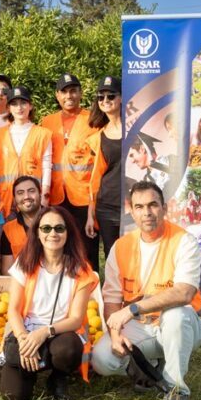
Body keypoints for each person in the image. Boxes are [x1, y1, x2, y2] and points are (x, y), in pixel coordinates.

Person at [91, 181, 201, 400]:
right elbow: (111, 300)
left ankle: (177, 391)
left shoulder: (184, 241)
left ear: (164, 207)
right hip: (142, 326)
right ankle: (149, 365)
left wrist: (133, 309)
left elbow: (184, 293)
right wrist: (114, 334)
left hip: (184, 323)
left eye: (153, 205)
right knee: (102, 360)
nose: (147, 213)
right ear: (131, 210)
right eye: (140, 206)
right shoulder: (121, 247)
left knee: (175, 316)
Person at [1, 205, 97, 400]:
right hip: (27, 331)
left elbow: (76, 319)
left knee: (69, 349)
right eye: (46, 228)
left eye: (59, 228)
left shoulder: (81, 270)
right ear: (37, 232)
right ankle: (30, 371)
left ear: (68, 233)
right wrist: (24, 339)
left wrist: (44, 332)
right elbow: (14, 310)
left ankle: (58, 377)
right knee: (14, 398)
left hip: (60, 333)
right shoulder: (25, 263)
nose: (52, 233)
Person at [42, 73, 105, 238]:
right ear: (57, 95)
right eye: (64, 92)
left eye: (73, 91)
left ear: (80, 93)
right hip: (56, 197)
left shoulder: (93, 120)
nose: (69, 96)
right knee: (60, 248)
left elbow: (99, 161)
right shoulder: (47, 122)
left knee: (86, 249)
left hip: (84, 197)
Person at [0, 86, 53, 217]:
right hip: (6, 198)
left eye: (23, 103)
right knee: (8, 235)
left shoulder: (43, 134)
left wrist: (44, 195)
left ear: (30, 106)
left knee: (33, 236)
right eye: (14, 104)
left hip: (32, 197)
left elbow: (47, 166)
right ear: (8, 108)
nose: (19, 108)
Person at [87, 76, 124, 268]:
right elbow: (95, 179)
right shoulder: (98, 137)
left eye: (111, 96)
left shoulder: (136, 128)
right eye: (100, 97)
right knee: (112, 255)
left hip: (135, 205)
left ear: (121, 98)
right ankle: (112, 297)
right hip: (107, 206)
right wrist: (90, 213)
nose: (105, 101)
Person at [0, 175, 42, 273]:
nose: (26, 196)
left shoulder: (56, 221)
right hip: (22, 285)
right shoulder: (8, 229)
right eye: (20, 193)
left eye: (31, 191)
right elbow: (7, 272)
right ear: (14, 199)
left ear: (40, 193)